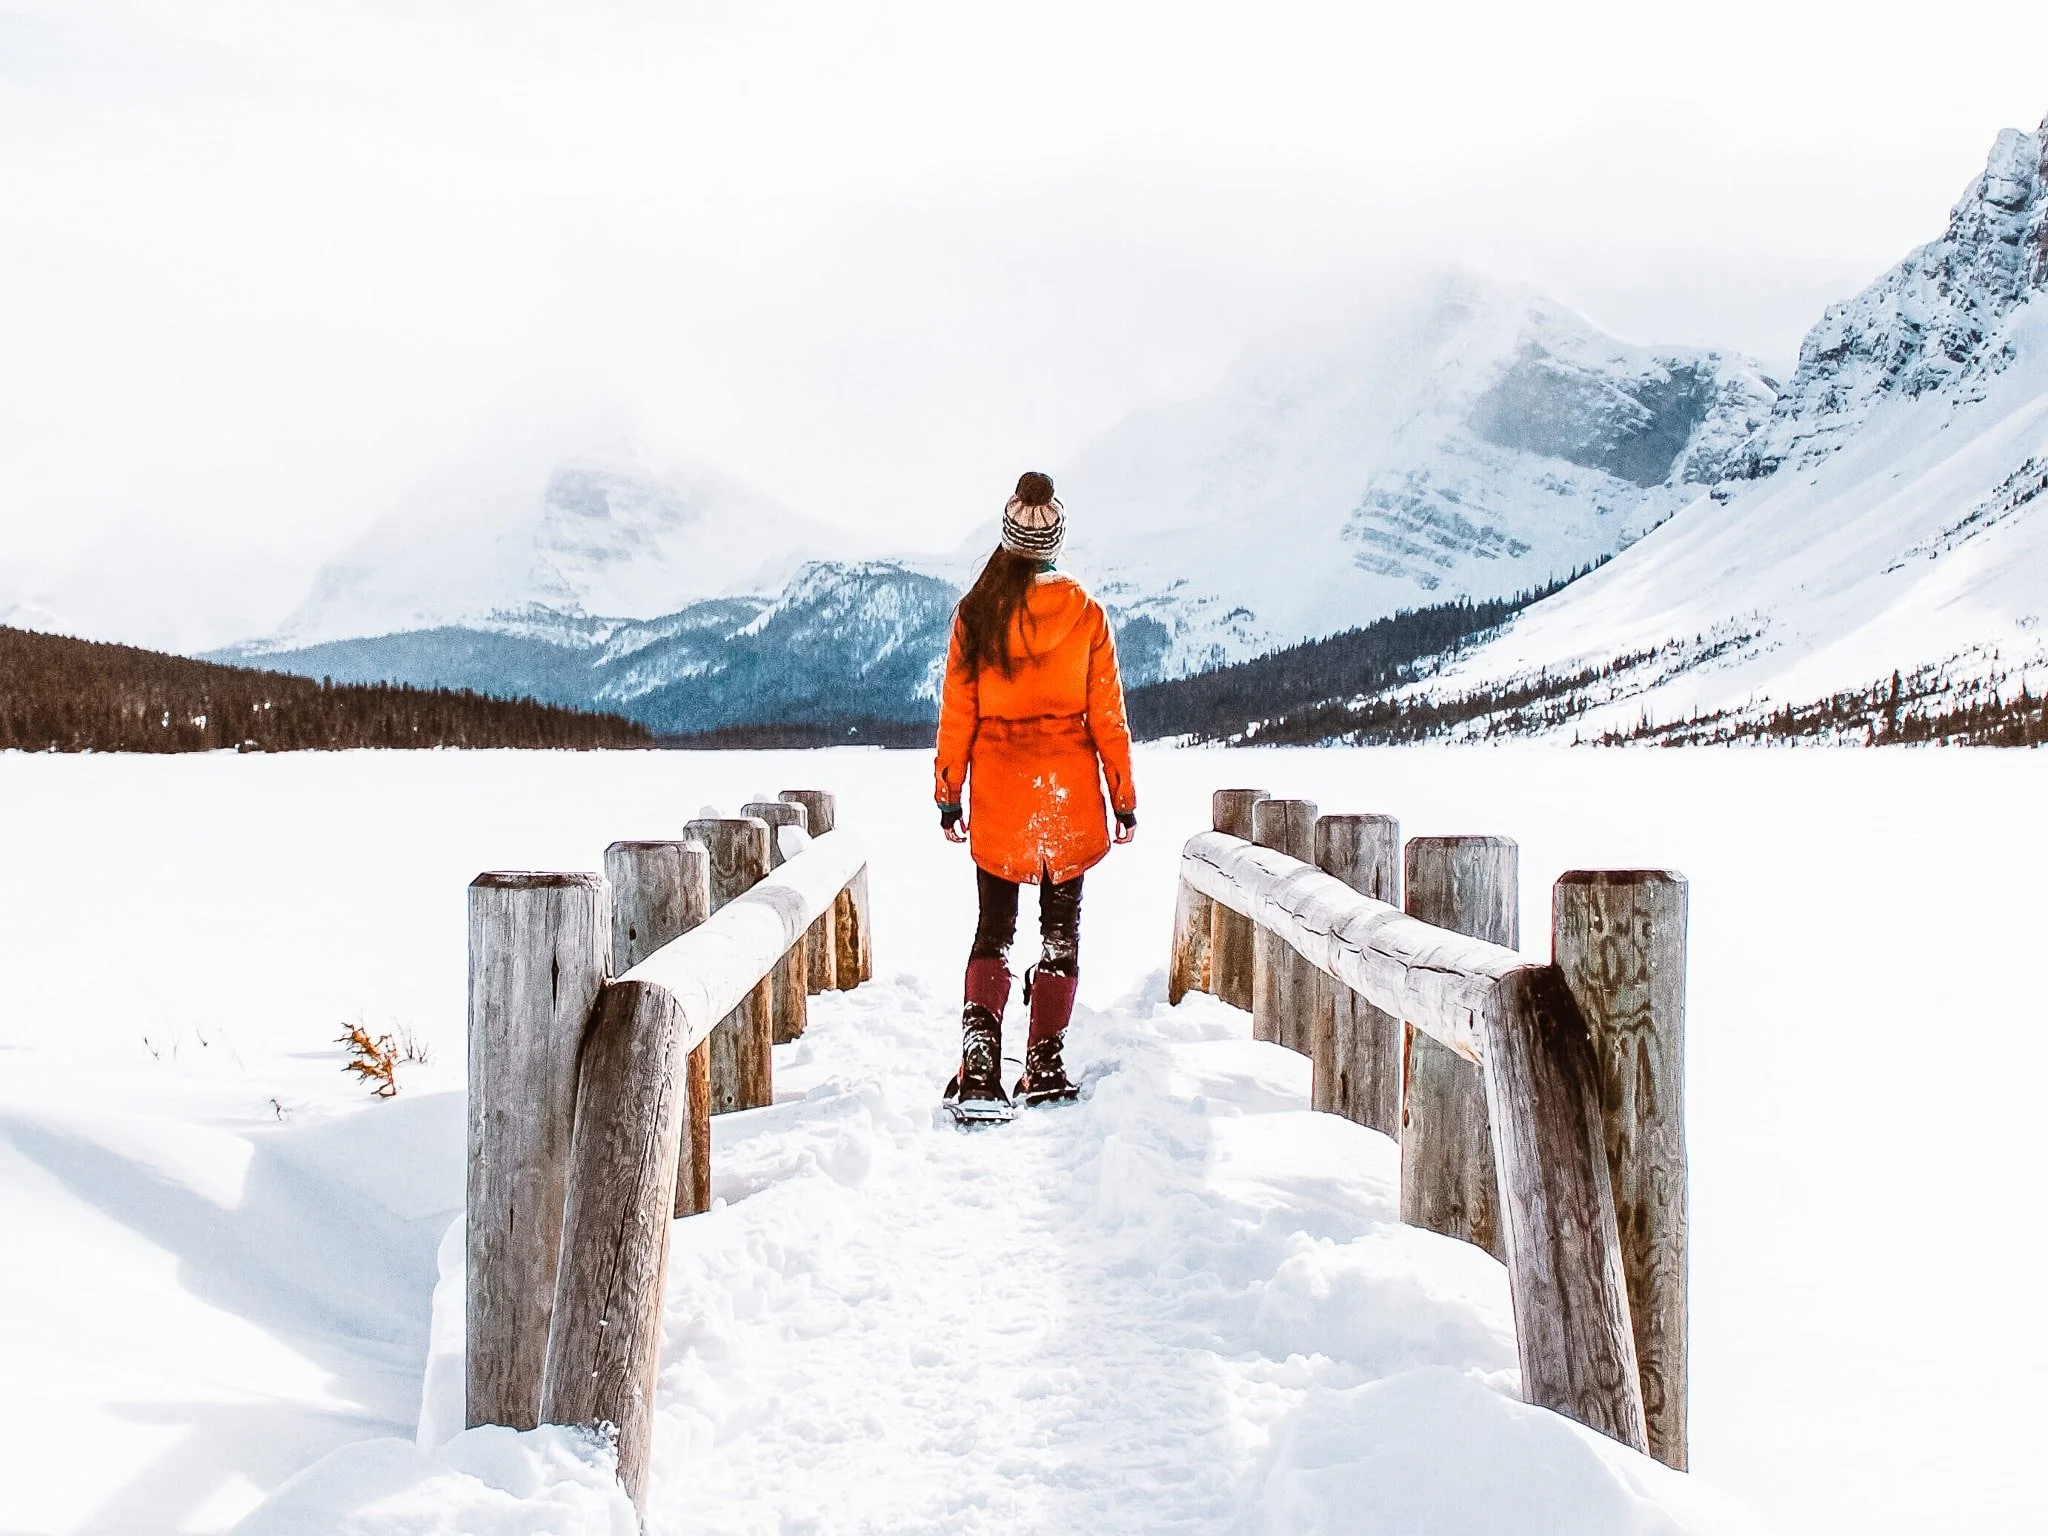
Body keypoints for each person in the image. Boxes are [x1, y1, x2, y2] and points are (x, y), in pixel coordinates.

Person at [934, 470, 1138, 1111]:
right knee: (1061, 934)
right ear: (1055, 541)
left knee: (993, 928)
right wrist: (1124, 800)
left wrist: (949, 794)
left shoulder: (977, 614)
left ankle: (980, 1065)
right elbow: (1108, 716)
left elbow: (956, 715)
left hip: (999, 792)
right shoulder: (1086, 612)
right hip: (1068, 796)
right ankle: (1045, 1063)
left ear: (1008, 538)